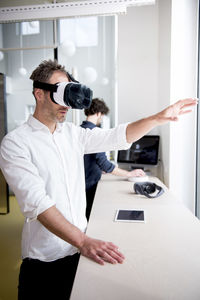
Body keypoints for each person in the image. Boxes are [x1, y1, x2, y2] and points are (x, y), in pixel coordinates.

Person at [0, 59, 197, 300]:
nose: (67, 104)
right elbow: (37, 203)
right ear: (39, 94)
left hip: (79, 250)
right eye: (61, 92)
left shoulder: (73, 134)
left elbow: (117, 136)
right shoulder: (15, 143)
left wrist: (158, 118)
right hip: (46, 257)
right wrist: (83, 240)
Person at [81, 98, 145, 220]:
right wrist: (128, 173)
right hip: (89, 186)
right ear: (99, 113)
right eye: (102, 116)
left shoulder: (79, 130)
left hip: (81, 184)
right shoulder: (95, 133)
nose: (101, 119)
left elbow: (90, 158)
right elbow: (104, 163)